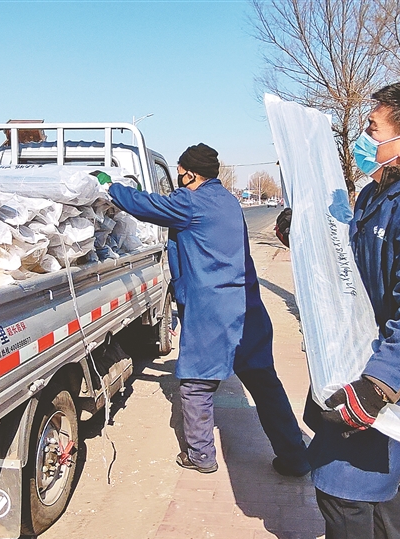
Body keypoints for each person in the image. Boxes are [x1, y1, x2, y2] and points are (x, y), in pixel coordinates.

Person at [277, 81, 400, 539]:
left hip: (391, 376)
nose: (363, 137)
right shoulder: (380, 192)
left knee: (344, 493)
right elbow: (356, 262)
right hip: (360, 360)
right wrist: (303, 233)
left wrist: (376, 384)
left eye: (372, 128)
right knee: (375, 492)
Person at [107, 143, 310, 476]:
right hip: (248, 307)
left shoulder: (190, 201)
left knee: (196, 384)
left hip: (213, 312)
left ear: (189, 173)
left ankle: (200, 456)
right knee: (264, 383)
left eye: (180, 169)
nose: (178, 175)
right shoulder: (229, 201)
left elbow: (145, 205)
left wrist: (111, 187)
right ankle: (295, 457)